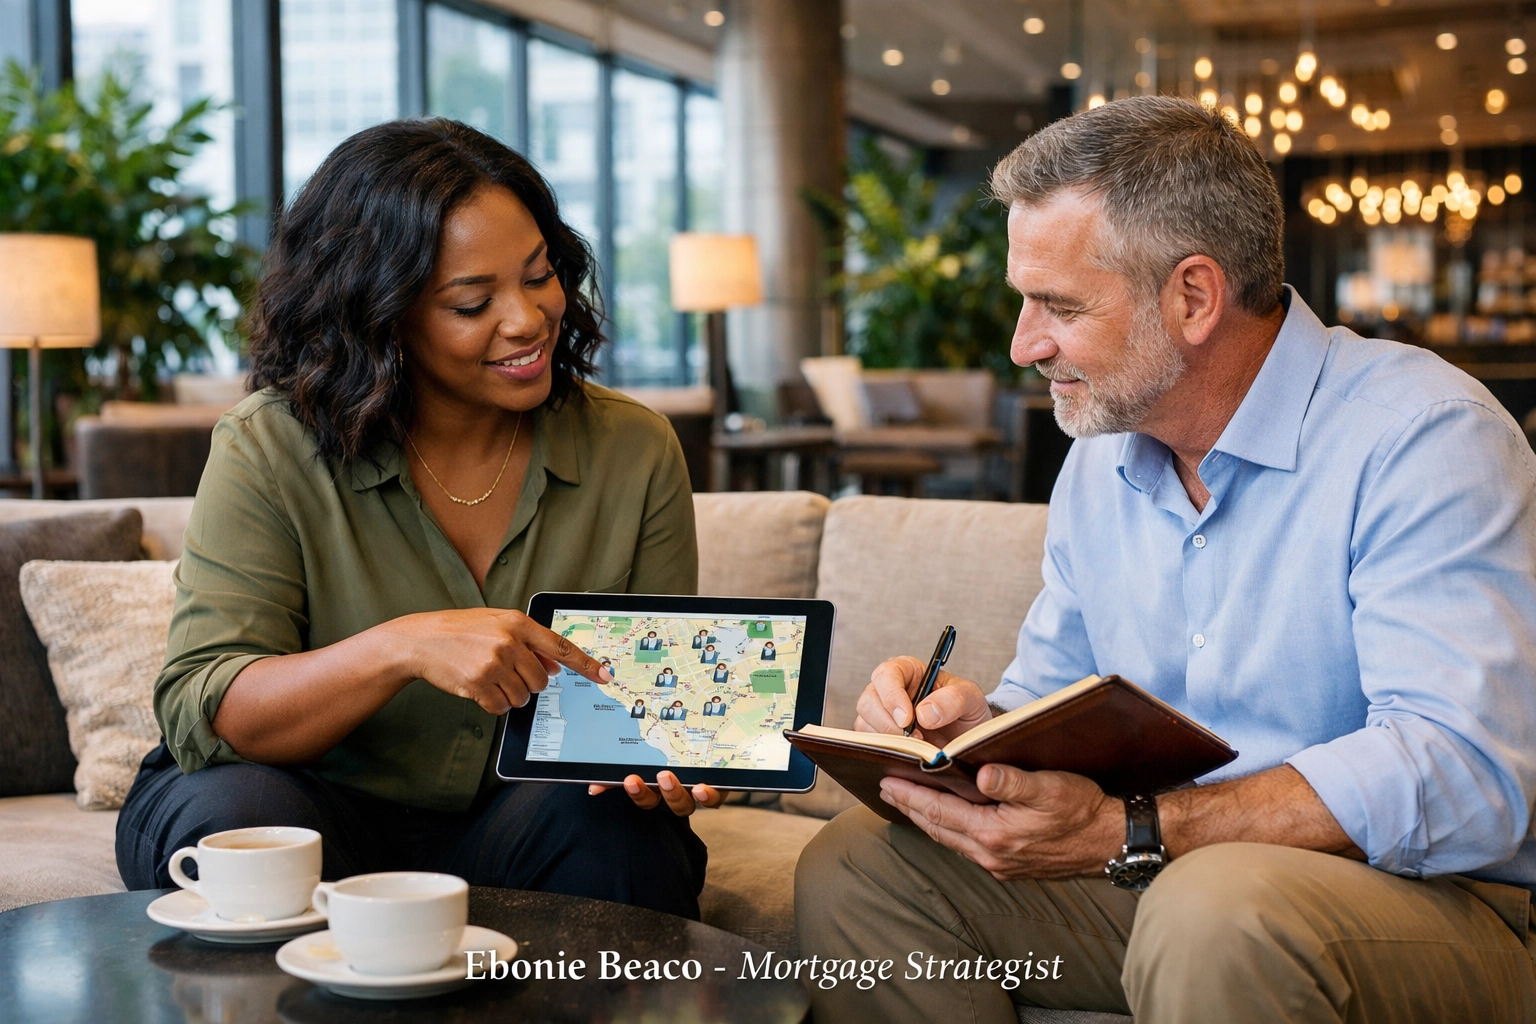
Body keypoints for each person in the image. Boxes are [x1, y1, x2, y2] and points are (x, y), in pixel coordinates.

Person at [795, 96, 1536, 1022]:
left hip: (1441, 903)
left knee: (1214, 910)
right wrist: (970, 731)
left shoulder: (1423, 436)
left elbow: (1467, 772)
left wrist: (1135, 829)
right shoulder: (1099, 460)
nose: (1024, 345)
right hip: (1169, 872)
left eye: (1058, 306)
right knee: (857, 863)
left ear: (1192, 296)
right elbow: (1053, 700)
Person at [115, 118, 723, 921]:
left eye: (539, 276)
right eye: (473, 302)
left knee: (617, 830)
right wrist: (400, 648)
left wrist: (668, 760)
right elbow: (209, 701)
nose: (528, 319)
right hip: (303, 794)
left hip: (513, 817)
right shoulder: (269, 446)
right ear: (381, 315)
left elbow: (649, 704)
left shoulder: (631, 448)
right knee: (244, 824)